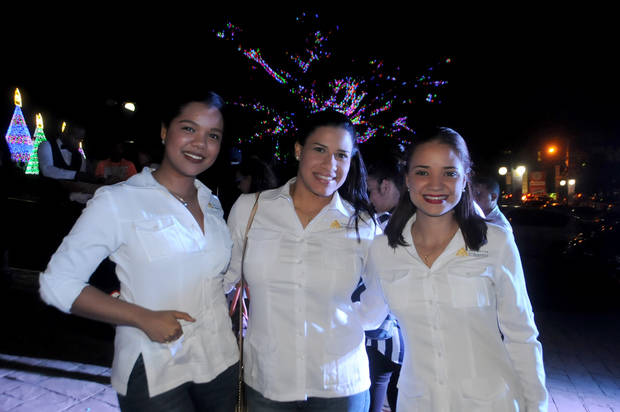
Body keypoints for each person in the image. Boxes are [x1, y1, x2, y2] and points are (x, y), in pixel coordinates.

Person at [39, 91, 239, 411]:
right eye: (188, 128)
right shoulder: (119, 201)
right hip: (155, 368)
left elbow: (215, 276)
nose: (200, 143)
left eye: (212, 135)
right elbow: (57, 284)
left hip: (220, 363)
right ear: (164, 131)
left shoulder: (211, 203)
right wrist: (141, 316)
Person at [367, 127, 548, 411]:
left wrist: (535, 405)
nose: (436, 184)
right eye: (423, 172)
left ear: (465, 179)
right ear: (407, 179)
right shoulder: (383, 248)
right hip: (418, 401)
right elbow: (366, 315)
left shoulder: (494, 241)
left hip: (489, 402)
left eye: (449, 173)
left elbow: (521, 333)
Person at [225, 110, 382, 411]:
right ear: (299, 150)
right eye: (320, 150)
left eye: (341, 155)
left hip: (339, 385)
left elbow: (380, 298)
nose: (330, 165)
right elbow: (224, 279)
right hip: (267, 382)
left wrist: (345, 326)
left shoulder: (362, 224)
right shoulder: (250, 210)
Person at [363, 156, 406, 412]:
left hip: (385, 335)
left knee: (377, 389)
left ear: (386, 185)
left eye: (371, 190)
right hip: (406, 338)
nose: (369, 199)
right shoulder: (417, 221)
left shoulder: (387, 227)